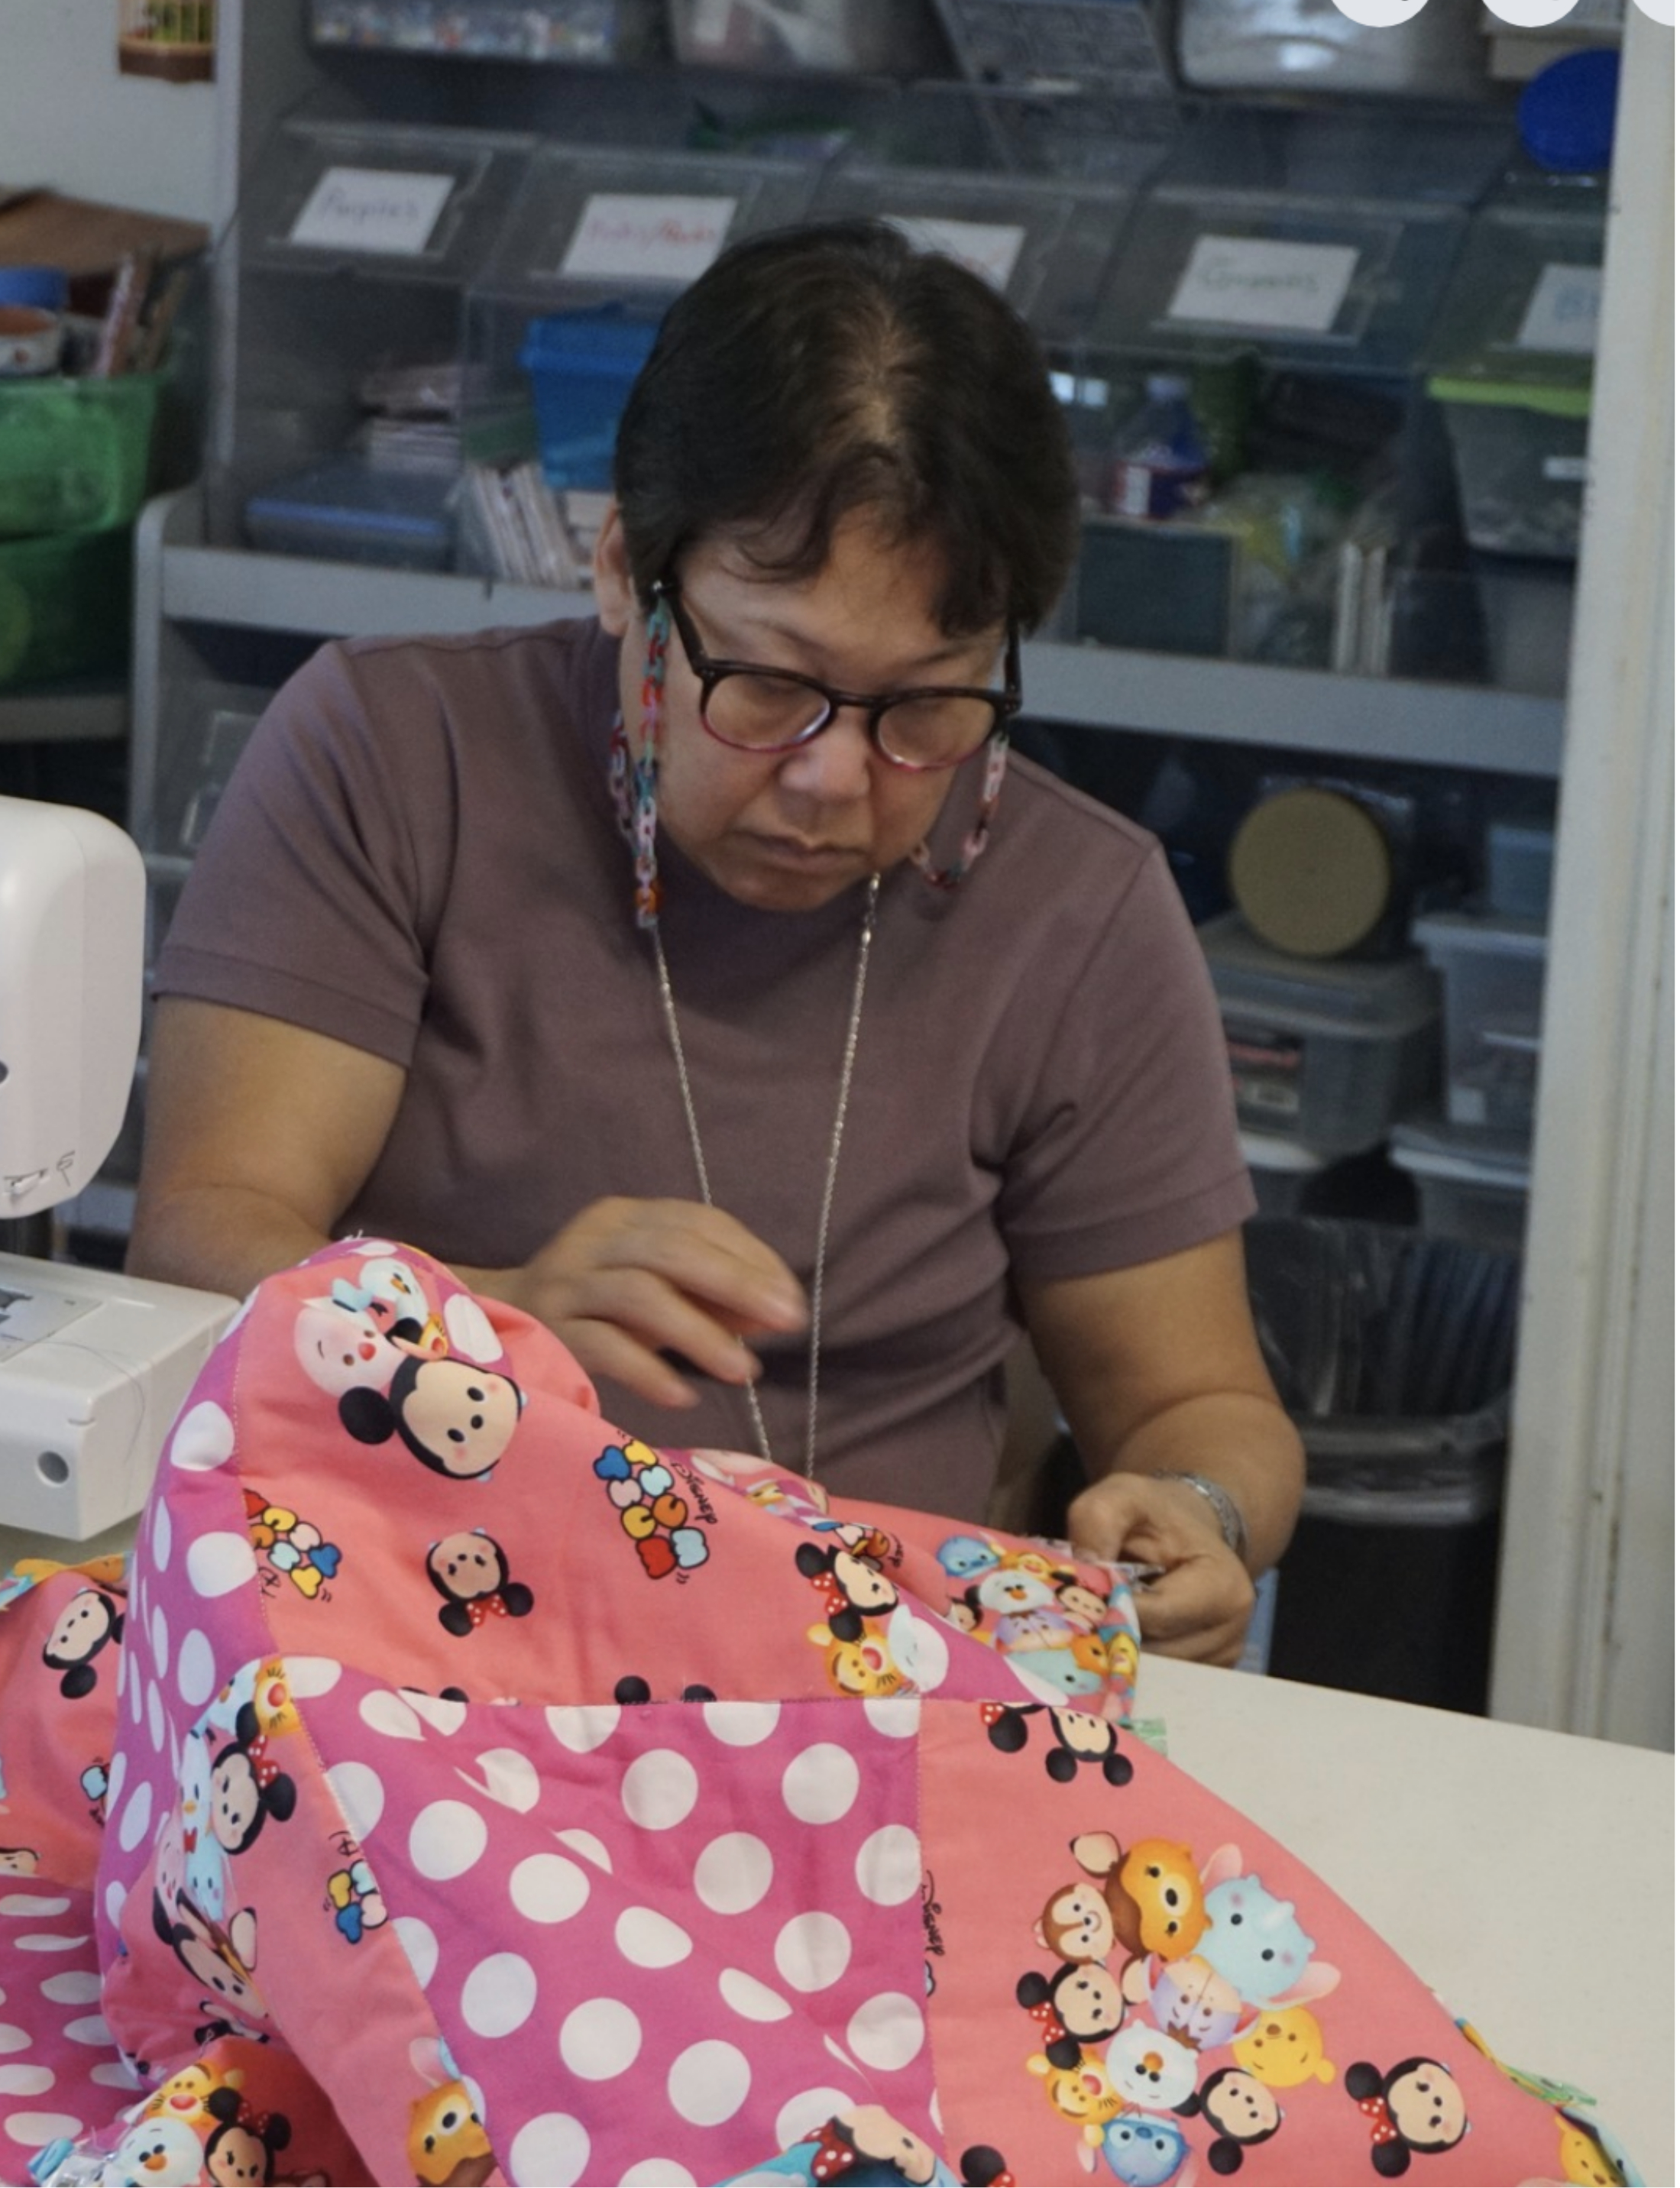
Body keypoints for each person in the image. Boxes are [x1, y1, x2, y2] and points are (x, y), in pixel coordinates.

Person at [129, 221, 1301, 1665]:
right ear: (625, 568)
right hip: (396, 1644)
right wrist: (487, 1320)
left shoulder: (1080, 910)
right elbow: (197, 1238)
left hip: (871, 1694)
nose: (834, 781)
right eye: (767, 684)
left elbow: (1204, 1409)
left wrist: (1197, 1509)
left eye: (928, 708)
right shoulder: (392, 755)